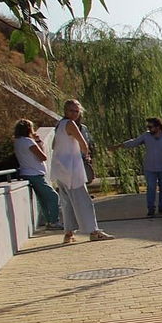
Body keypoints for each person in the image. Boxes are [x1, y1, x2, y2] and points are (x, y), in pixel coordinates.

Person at [52, 99, 112, 243]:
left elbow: (54, 145)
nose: (74, 114)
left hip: (61, 168)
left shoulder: (59, 125)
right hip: (72, 168)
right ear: (66, 111)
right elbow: (83, 143)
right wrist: (86, 155)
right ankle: (93, 231)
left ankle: (68, 233)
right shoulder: (71, 124)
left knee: (67, 202)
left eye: (76, 111)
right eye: (71, 111)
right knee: (83, 201)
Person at [115, 116, 162, 217]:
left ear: (158, 127)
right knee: (151, 188)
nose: (149, 129)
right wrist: (119, 145)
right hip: (150, 168)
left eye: (151, 127)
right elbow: (135, 142)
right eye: (148, 127)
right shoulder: (146, 136)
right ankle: (151, 208)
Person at [13, 119, 60, 229]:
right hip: (34, 173)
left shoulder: (18, 141)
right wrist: (38, 142)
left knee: (43, 199)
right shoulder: (28, 142)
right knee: (53, 196)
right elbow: (43, 157)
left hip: (26, 172)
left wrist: (37, 141)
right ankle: (54, 221)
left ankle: (49, 221)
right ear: (29, 129)